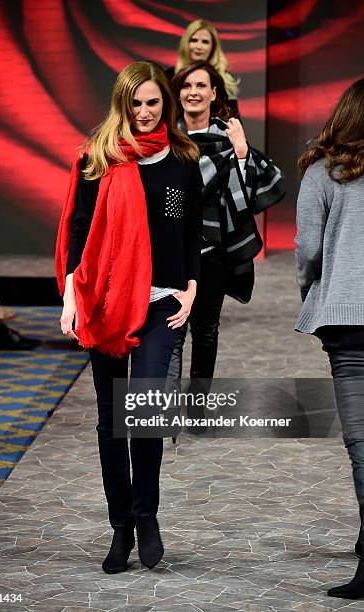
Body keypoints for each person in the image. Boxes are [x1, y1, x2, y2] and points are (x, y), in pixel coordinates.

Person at [56, 61, 201, 574]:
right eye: (135, 103)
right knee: (111, 424)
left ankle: (147, 517)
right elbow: (79, 232)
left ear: (166, 102)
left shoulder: (183, 160)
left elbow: (188, 232)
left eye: (153, 102)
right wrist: (72, 296)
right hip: (106, 303)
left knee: (141, 414)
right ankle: (121, 528)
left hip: (161, 302)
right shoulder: (98, 158)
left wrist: (192, 286)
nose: (144, 112)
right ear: (121, 104)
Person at [167, 61, 285, 430]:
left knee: (205, 329)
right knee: (169, 330)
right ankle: (165, 411)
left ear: (215, 93)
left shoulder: (227, 137)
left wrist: (242, 152)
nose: (194, 92)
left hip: (214, 248)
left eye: (201, 85)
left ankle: (198, 410)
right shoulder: (167, 137)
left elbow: (261, 189)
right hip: (171, 248)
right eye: (187, 85)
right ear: (178, 93)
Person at [295, 77, 364, 600]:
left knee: (363, 443)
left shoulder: (323, 173)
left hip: (347, 321)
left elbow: (308, 251)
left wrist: (313, 289)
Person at [165, 20, 240, 116]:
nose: (199, 46)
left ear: (213, 47)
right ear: (185, 43)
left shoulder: (226, 79)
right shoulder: (170, 76)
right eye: (194, 40)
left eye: (205, 42)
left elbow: (233, 117)